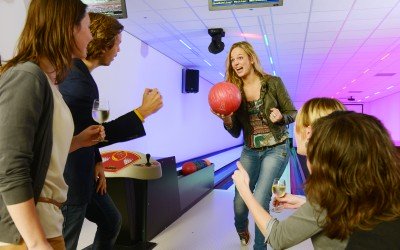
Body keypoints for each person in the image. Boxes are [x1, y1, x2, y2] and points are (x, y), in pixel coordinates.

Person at [0, 0, 104, 249]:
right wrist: (37, 242)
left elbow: (42, 153)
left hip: (48, 223)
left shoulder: (49, 81)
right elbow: (10, 166)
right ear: (69, 27)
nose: (91, 35)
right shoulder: (27, 76)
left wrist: (78, 142)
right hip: (26, 235)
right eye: (87, 26)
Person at [58, 12, 163, 250]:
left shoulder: (83, 78)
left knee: (111, 221)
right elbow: (89, 136)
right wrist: (141, 113)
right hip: (71, 181)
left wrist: (97, 162)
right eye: (117, 44)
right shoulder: (75, 81)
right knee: (66, 243)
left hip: (87, 172)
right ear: (103, 43)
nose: (118, 50)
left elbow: (83, 130)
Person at [233, 111, 400, 249]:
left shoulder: (329, 196)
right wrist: (304, 202)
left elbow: (277, 237)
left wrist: (245, 191)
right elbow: (340, 210)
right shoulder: (375, 195)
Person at [213, 41, 296, 249]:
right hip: (250, 150)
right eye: (232, 60)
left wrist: (281, 117)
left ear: (251, 58)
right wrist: (227, 120)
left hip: (276, 147)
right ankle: (241, 228)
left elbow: (292, 113)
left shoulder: (273, 83)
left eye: (240, 57)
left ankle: (261, 247)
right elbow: (235, 133)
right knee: (239, 202)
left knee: (259, 199)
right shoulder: (235, 92)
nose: (236, 63)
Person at [274, 97, 346, 209]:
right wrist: (305, 203)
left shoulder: (326, 179)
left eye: (297, 125)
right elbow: (330, 210)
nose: (294, 131)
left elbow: (276, 228)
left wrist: (245, 190)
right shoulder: (338, 172)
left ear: (308, 132)